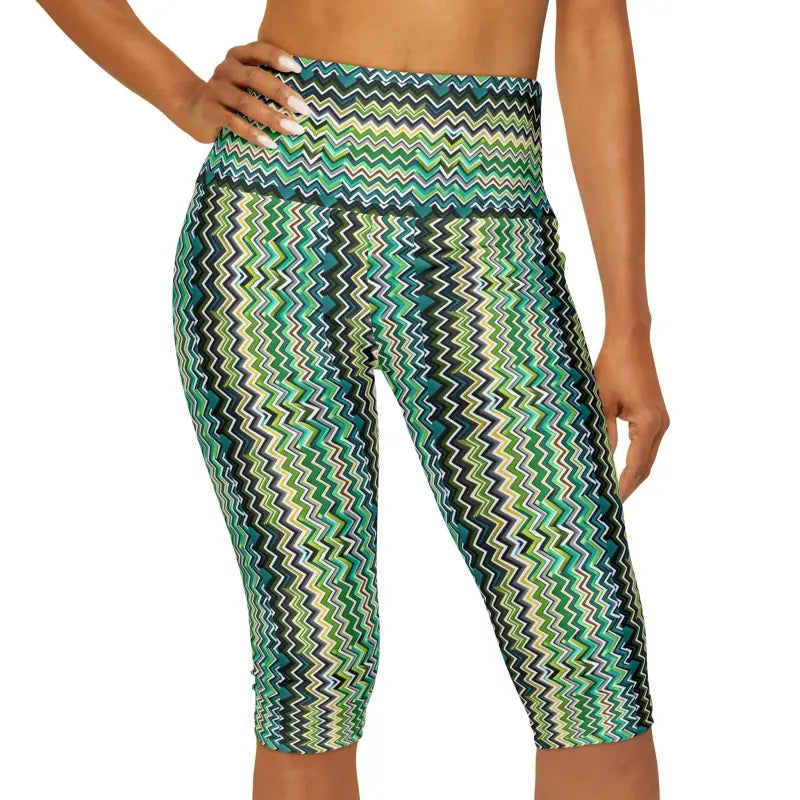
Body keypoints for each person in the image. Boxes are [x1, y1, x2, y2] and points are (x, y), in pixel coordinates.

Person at [37, 1, 669, 798]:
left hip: (490, 234)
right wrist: (181, 93)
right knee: (314, 668)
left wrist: (629, 322)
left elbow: (594, 29)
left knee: (590, 665)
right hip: (270, 231)